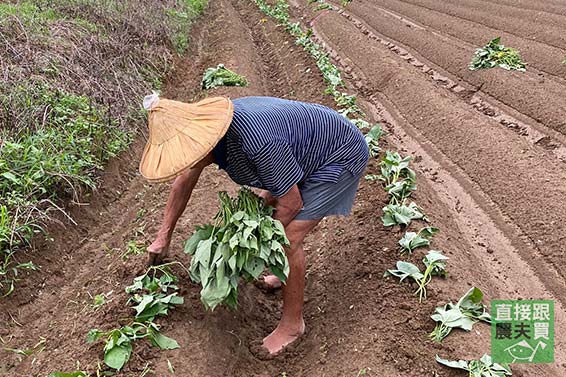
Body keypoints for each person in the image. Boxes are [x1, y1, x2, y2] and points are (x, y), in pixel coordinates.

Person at [139, 94, 369, 356]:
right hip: (300, 150)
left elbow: (292, 203)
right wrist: (163, 236)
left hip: (338, 154)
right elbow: (183, 182)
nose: (186, 163)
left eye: (188, 157)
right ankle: (282, 277)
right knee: (267, 209)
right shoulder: (211, 132)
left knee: (287, 239)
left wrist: (258, 243)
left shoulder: (257, 142)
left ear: (204, 145)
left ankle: (292, 325)